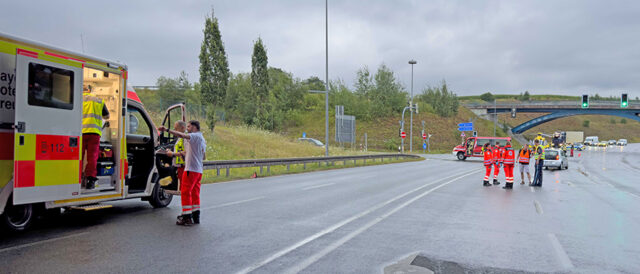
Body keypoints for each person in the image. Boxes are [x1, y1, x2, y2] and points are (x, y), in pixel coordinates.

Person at [159, 120, 206, 226]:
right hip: (198, 170)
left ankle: (186, 217)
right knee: (194, 193)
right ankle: (195, 215)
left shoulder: (194, 136)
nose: (187, 129)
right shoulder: (202, 139)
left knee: (185, 192)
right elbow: (204, 156)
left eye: (188, 126)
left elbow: (181, 134)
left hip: (190, 169)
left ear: (194, 127)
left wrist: (166, 130)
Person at [82, 85, 109, 189]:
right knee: (92, 157)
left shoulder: (78, 99)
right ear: (90, 90)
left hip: (79, 133)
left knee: (78, 157)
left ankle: (77, 178)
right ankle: (90, 180)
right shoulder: (98, 100)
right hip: (94, 133)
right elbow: (107, 116)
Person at [164, 121, 187, 191]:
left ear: (182, 127)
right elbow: (179, 148)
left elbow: (186, 152)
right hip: (180, 165)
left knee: (184, 188)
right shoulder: (180, 138)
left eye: (176, 129)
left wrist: (173, 154)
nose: (175, 131)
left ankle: (186, 202)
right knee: (182, 187)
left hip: (183, 165)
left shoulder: (185, 138)